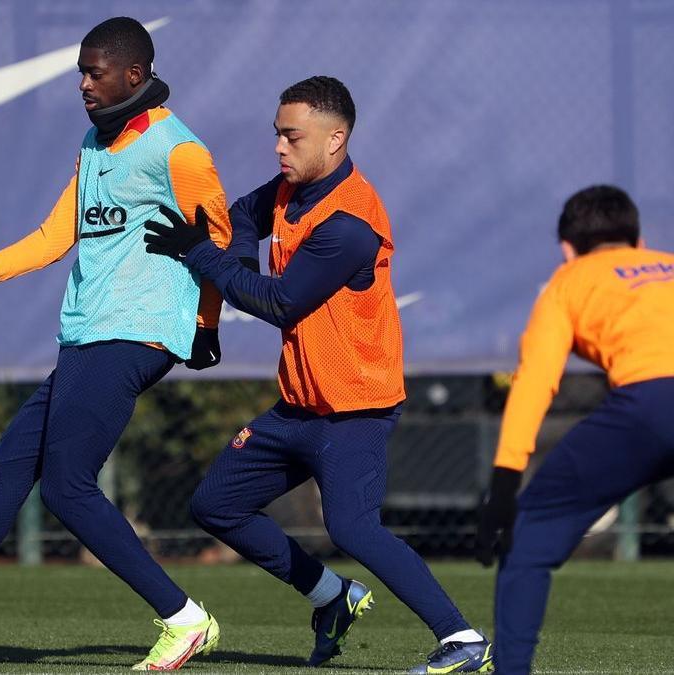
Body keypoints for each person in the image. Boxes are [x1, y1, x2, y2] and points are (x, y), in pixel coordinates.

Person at [0, 17, 231, 670]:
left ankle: (184, 618)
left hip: (135, 331)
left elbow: (217, 241)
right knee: (11, 461)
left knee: (67, 486)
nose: (82, 83)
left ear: (134, 75)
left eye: (94, 71)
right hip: (88, 332)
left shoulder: (179, 151)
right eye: (80, 70)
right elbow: (53, 238)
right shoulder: (94, 143)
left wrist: (207, 328)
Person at [143, 75, 492, 673]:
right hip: (298, 407)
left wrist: (201, 255)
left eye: (291, 136)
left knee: (354, 528)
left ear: (335, 140)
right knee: (216, 505)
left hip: (355, 406)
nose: (279, 148)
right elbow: (240, 217)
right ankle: (332, 598)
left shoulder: (350, 223)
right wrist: (228, 254)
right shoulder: (287, 190)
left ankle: (464, 640)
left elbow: (281, 302)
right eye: (276, 134)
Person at [476, 185, 674, 674]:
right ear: (639, 240)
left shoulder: (569, 279)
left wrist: (504, 483)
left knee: (527, 540)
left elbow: (535, 382)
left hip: (649, 405)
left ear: (567, 247)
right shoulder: (668, 262)